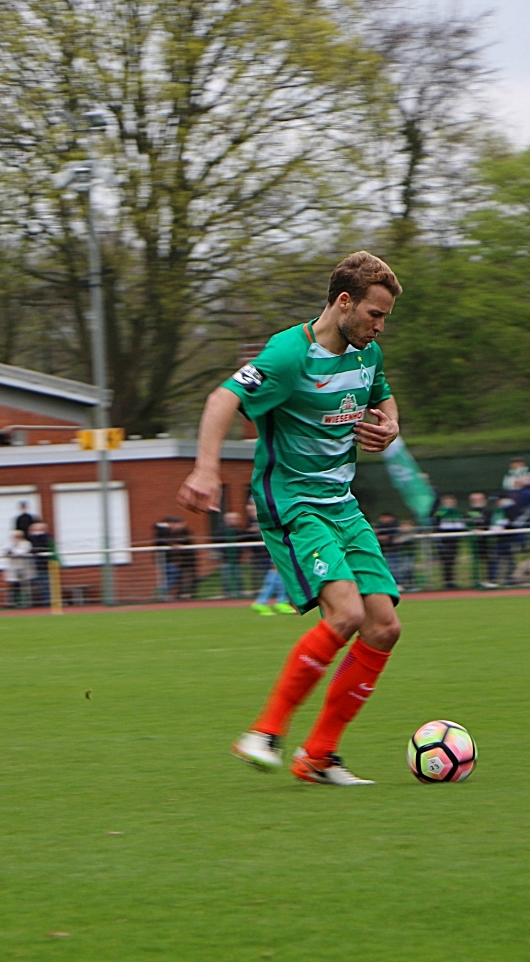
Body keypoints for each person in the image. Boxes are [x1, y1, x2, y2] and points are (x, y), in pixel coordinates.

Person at [178, 250, 403, 785]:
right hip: (294, 504)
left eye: (385, 317)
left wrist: (389, 427)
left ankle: (318, 756)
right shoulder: (286, 354)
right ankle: (265, 732)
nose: (379, 326)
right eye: (375, 314)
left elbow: (384, 400)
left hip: (343, 505)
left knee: (384, 627)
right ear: (344, 302)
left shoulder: (366, 353)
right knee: (346, 614)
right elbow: (221, 399)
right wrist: (206, 470)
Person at [27, 521, 54, 608]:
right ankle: (36, 602)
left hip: (44, 565)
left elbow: (43, 547)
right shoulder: (31, 539)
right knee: (35, 584)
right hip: (34, 566)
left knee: (46, 584)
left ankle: (47, 602)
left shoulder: (45, 537)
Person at [2, 530, 31, 607]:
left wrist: (13, 552)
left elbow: (22, 552)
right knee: (13, 585)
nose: (17, 538)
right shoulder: (9, 544)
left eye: (18, 536)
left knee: (24, 585)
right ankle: (12, 602)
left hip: (23, 567)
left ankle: (26, 602)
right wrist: (11, 552)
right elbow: (4, 551)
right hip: (12, 567)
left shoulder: (26, 543)